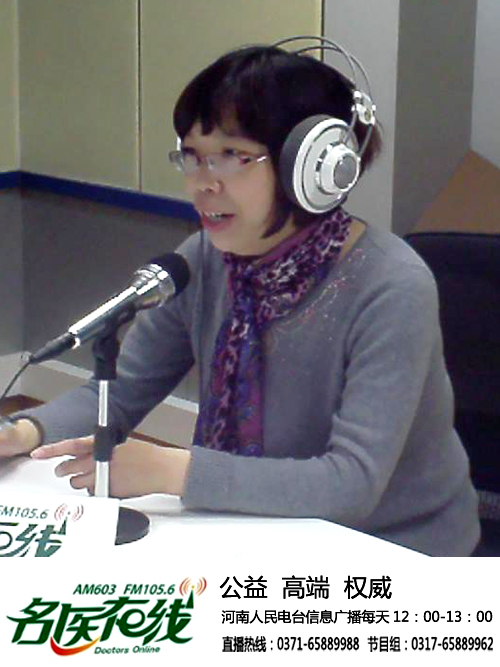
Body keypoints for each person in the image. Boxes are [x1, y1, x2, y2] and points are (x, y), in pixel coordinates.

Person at [0, 42, 480, 556]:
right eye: (192, 156)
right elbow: (119, 393)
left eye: (231, 157)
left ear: (312, 169)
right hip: (252, 527)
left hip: (394, 551)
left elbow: (351, 485)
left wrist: (174, 471)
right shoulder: (205, 260)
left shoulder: (391, 285)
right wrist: (23, 431)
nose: (202, 184)